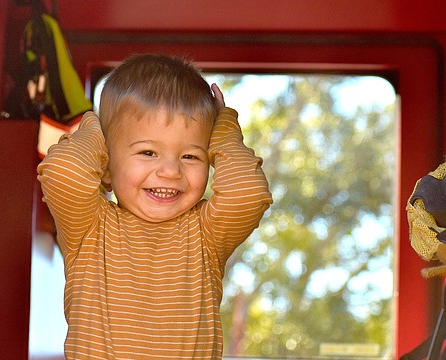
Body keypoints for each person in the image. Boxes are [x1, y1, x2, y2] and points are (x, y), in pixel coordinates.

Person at [37, 54, 272, 359]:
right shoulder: (91, 226)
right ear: (106, 163)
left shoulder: (205, 234)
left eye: (190, 156)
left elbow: (248, 193)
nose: (171, 171)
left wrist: (225, 126)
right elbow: (63, 172)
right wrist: (95, 124)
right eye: (148, 152)